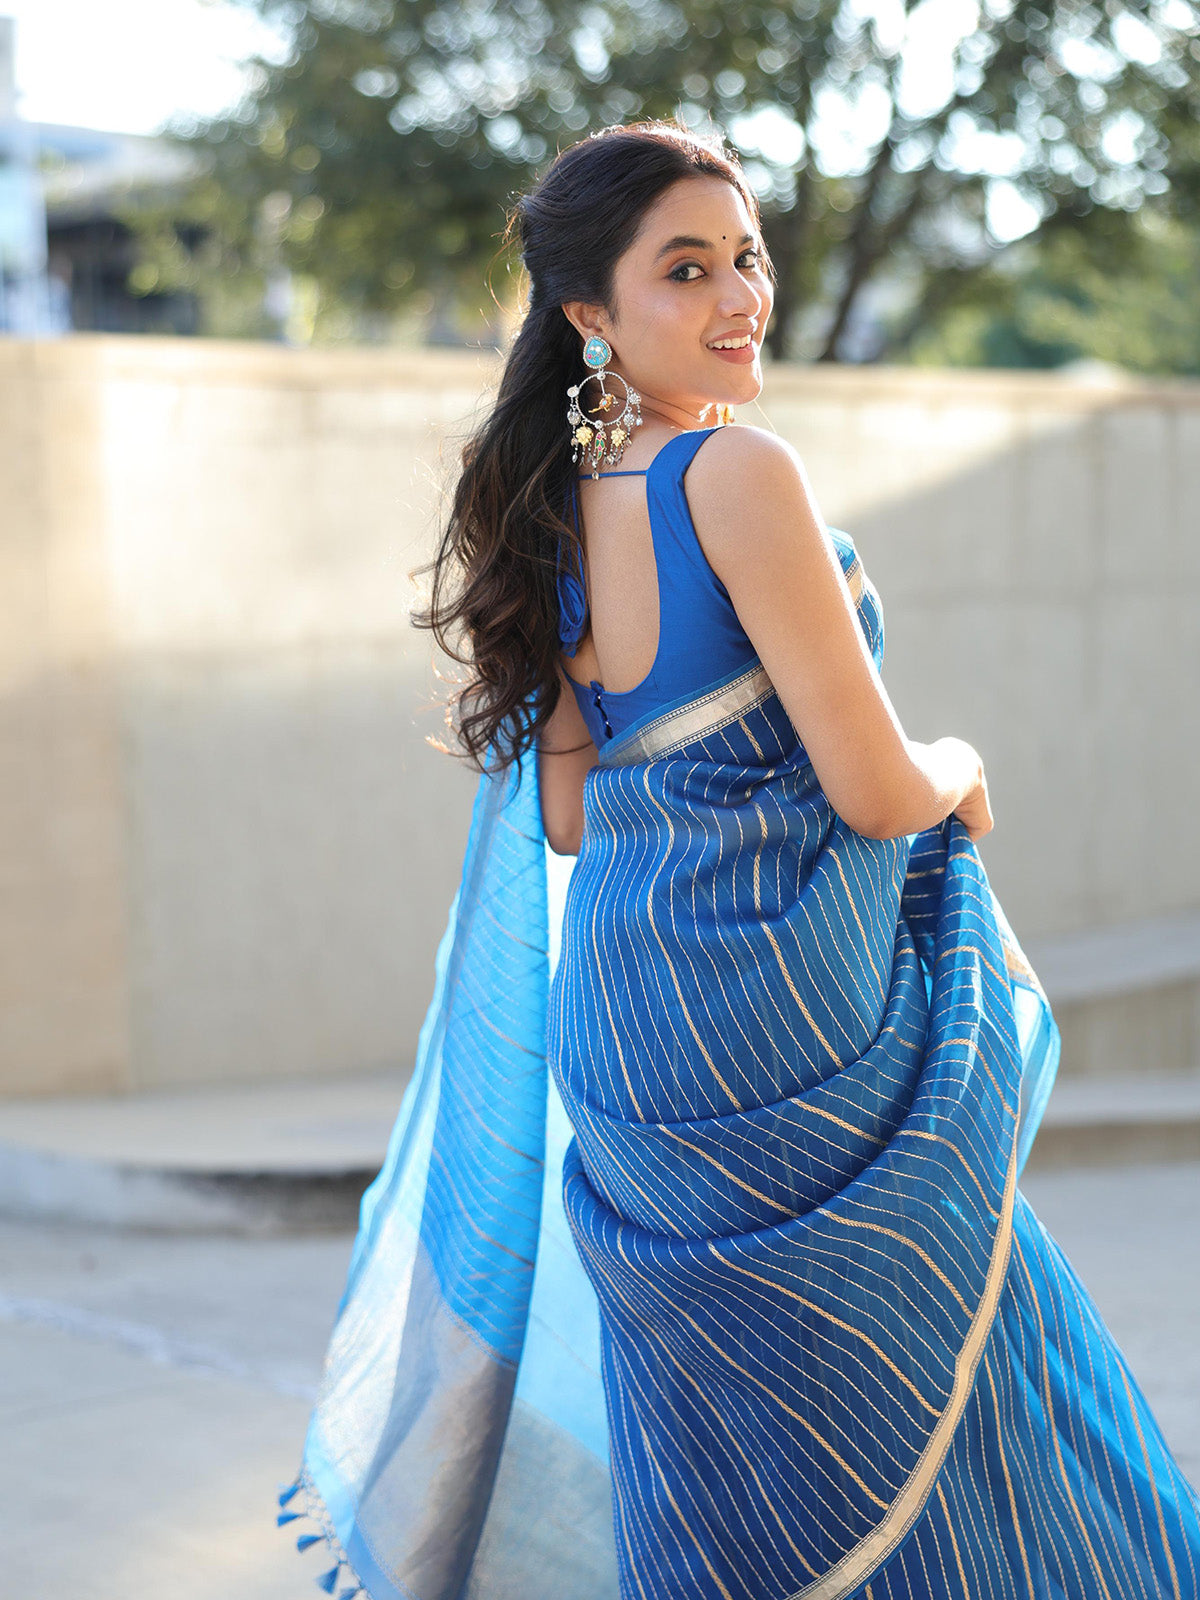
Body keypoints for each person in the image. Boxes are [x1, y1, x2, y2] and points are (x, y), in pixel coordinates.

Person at [276, 120, 1200, 1600]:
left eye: (748, 258)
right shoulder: (737, 474)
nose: (739, 298)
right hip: (775, 1026)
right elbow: (879, 788)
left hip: (631, 1041)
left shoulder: (552, 509)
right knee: (982, 1378)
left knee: (724, 1464)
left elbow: (575, 815)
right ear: (593, 312)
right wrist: (961, 766)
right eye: (687, 269)